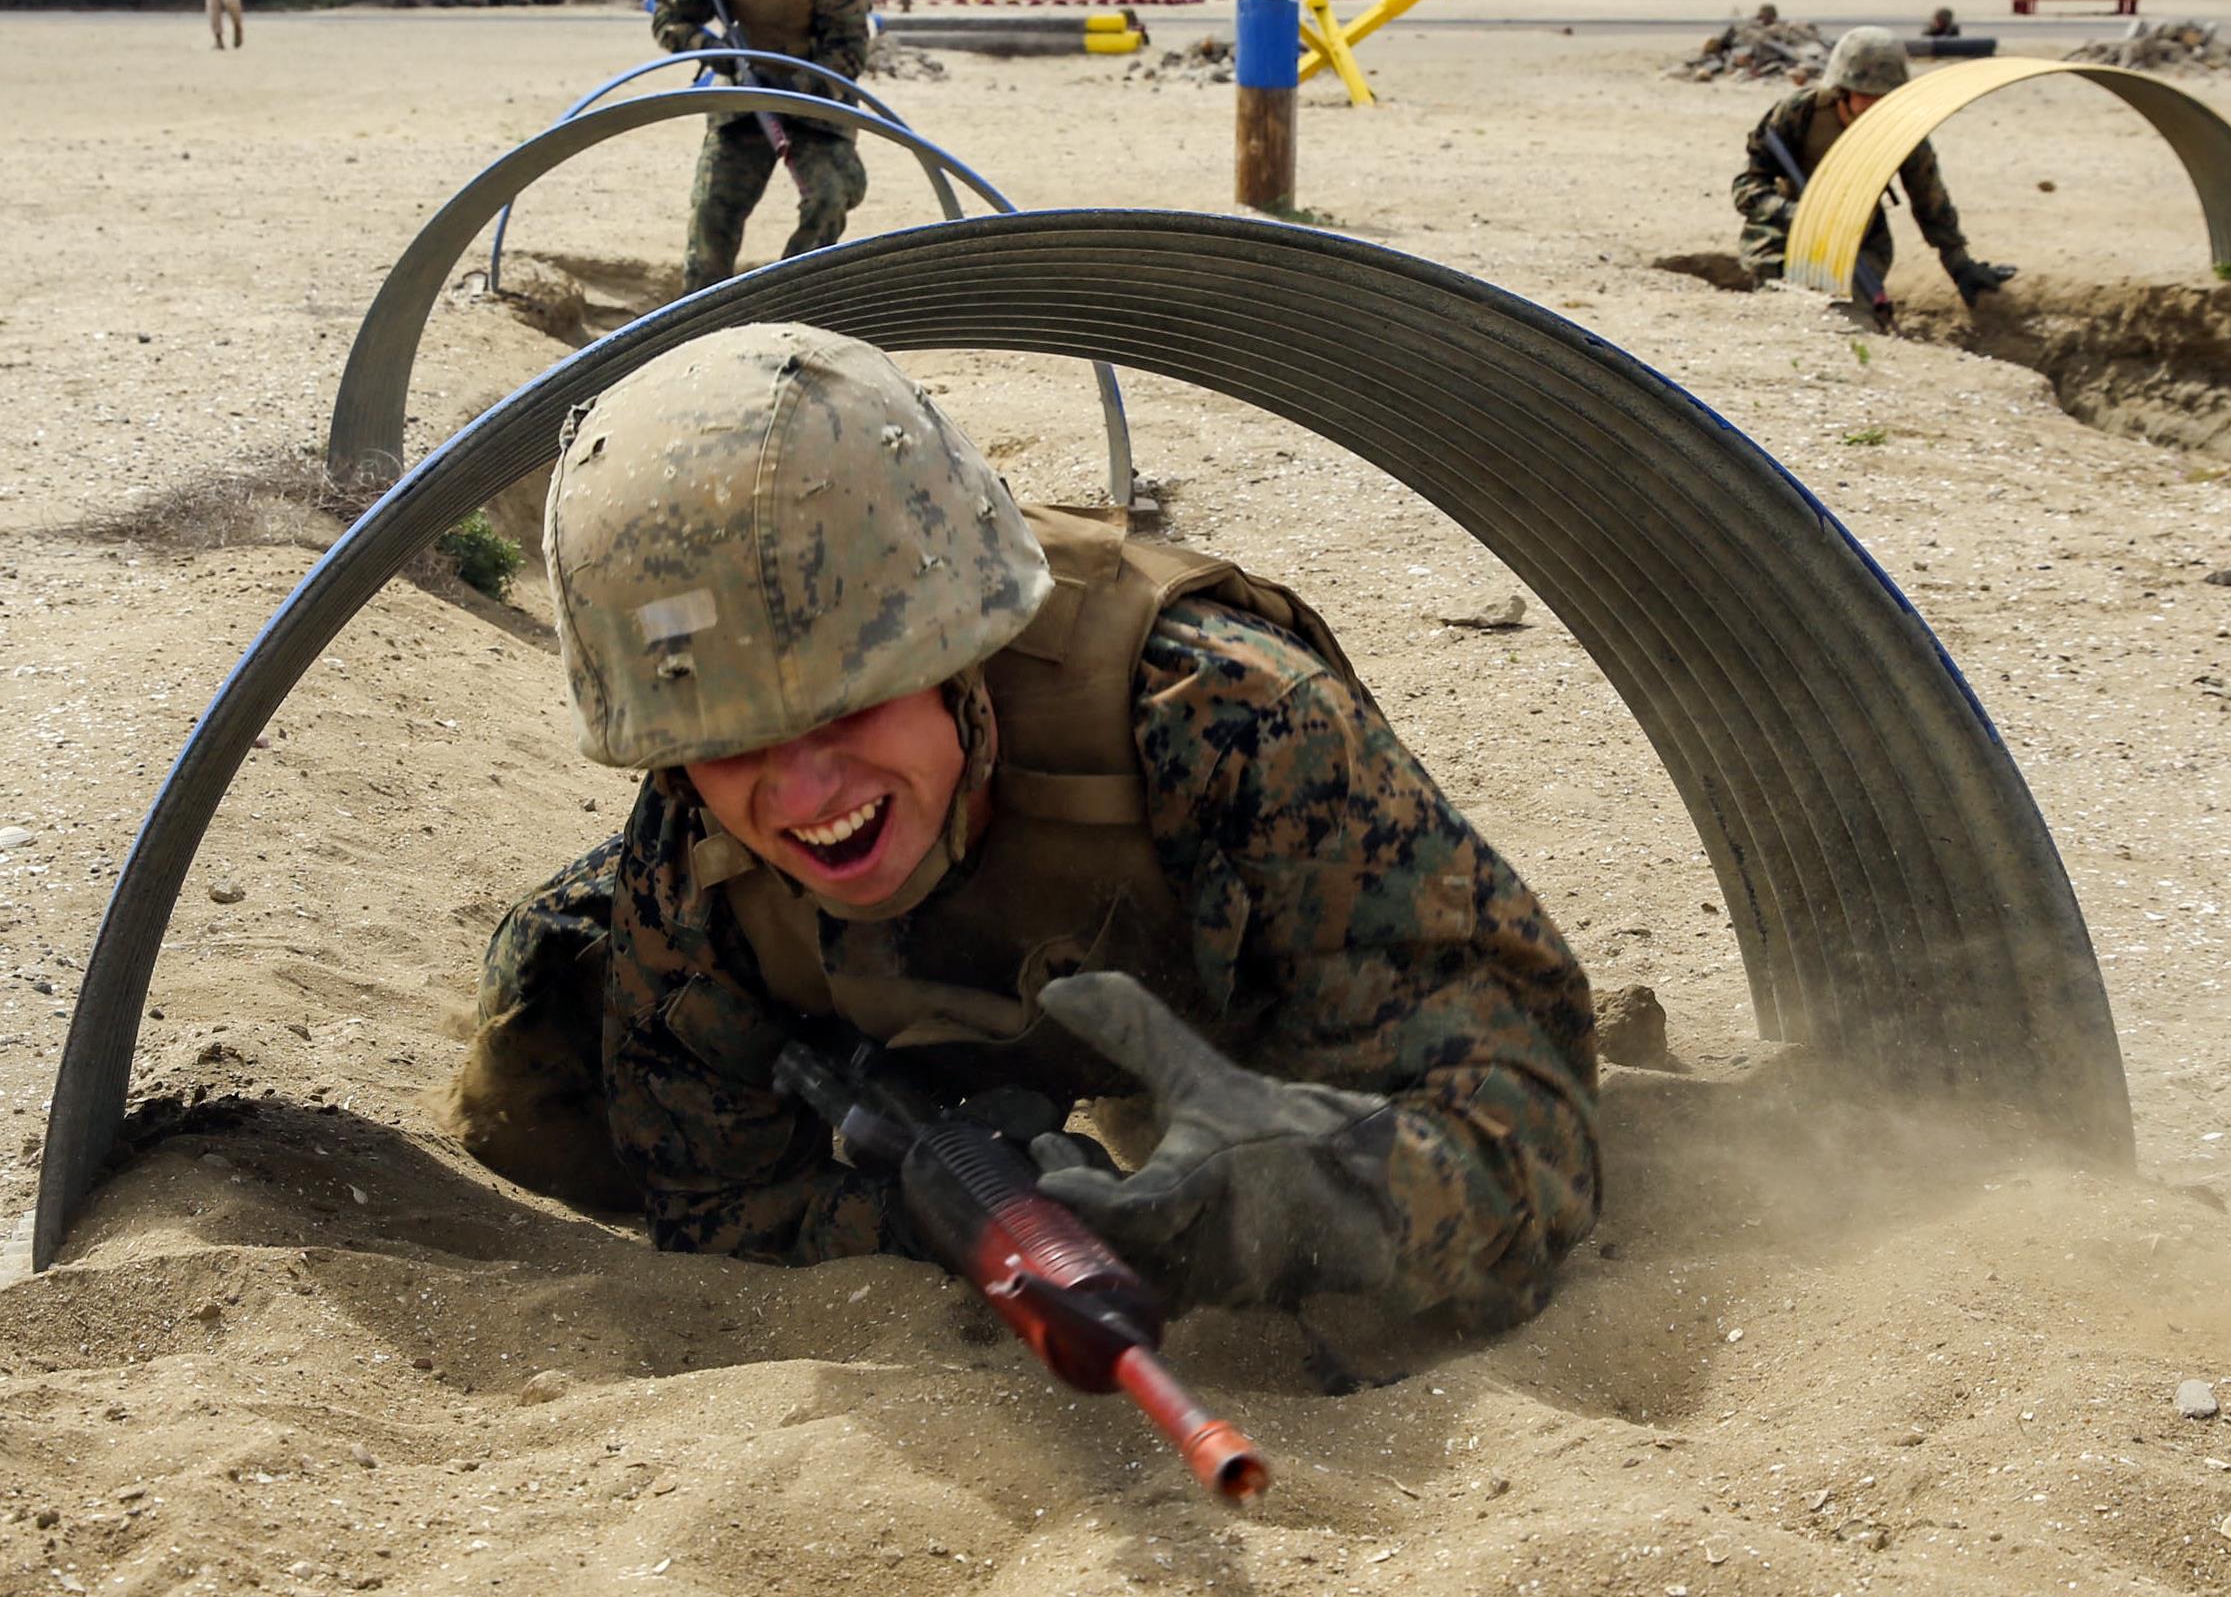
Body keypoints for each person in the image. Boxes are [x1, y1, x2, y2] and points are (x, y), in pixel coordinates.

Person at [448, 323, 1600, 1327]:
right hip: (894, 1038)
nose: (798, 794)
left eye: (850, 706)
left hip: (1229, 989)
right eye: (729, 741)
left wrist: (1263, 1219)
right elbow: (712, 1201)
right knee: (545, 1010)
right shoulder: (692, 858)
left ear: (963, 655)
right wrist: (923, 1211)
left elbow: (1529, 1140)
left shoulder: (1234, 723)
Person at [648, 0, 872, 294]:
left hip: (814, 107)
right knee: (712, 212)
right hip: (743, 104)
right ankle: (698, 319)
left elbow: (851, 48)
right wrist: (713, 51)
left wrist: (799, 83)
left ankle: (791, 298)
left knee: (829, 198)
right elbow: (667, 16)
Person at [1731, 25, 2015, 307]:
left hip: (1858, 242)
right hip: (1783, 239)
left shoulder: (1902, 129)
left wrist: (1959, 264)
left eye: (1885, 96)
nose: (1875, 104)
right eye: (1865, 94)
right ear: (1843, 90)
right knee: (1786, 307)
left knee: (1851, 312)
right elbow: (1746, 187)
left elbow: (1929, 199)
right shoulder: (1799, 113)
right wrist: (1797, 214)